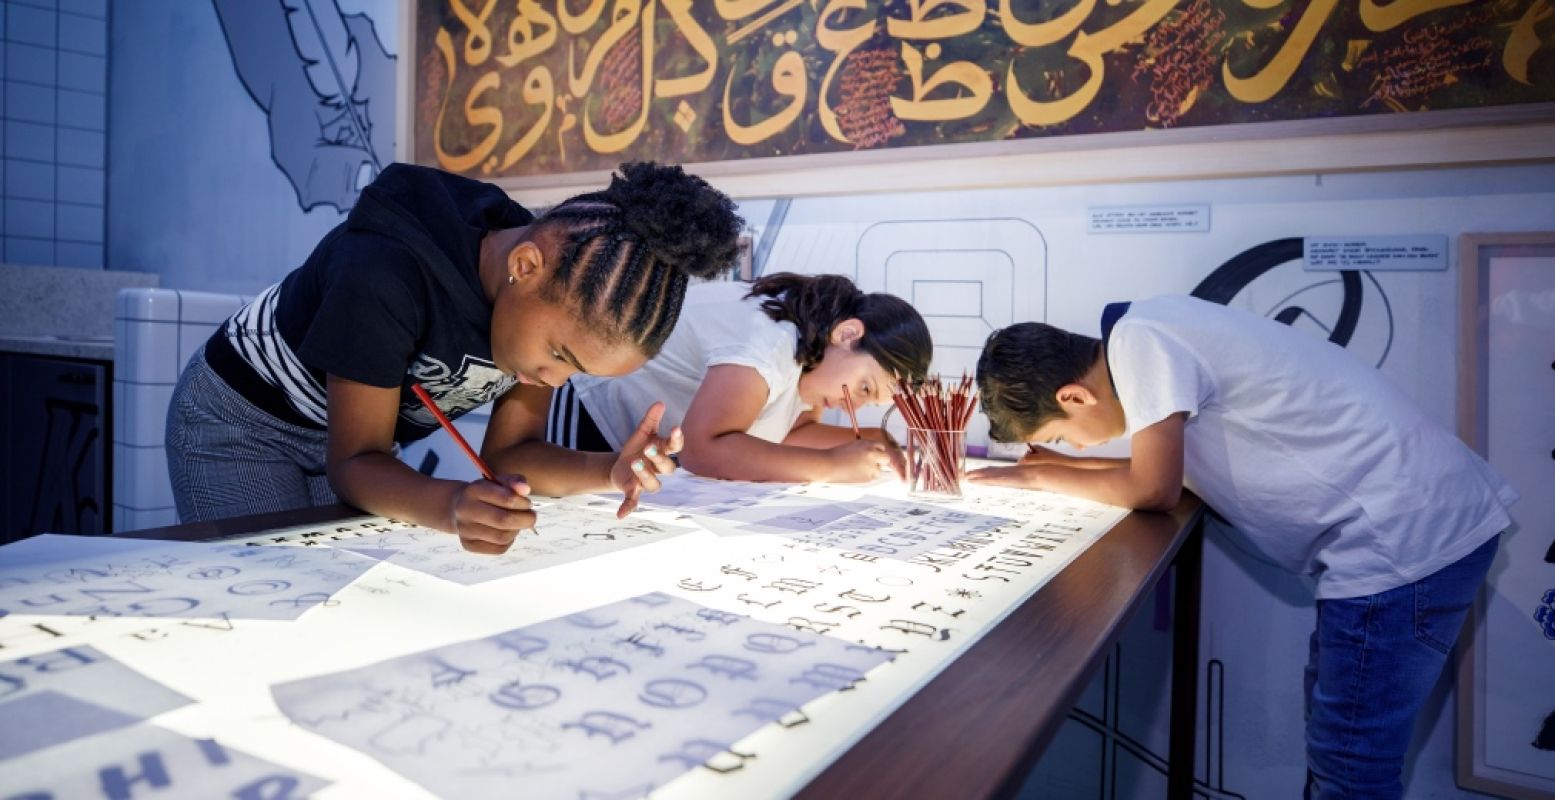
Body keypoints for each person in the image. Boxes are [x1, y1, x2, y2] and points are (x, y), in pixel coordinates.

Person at [968, 295, 1517, 799]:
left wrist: (1042, 478)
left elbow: (1154, 488)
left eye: (1062, 435)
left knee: (1351, 760)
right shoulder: (1146, 334)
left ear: (1073, 396)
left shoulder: (1141, 342)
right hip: (1398, 536)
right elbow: (1164, 470)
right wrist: (1067, 465)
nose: (1078, 446)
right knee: (1337, 739)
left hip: (1402, 543)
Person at [166, 161, 743, 554]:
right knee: (275, 580)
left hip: (344, 437)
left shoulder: (548, 301)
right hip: (243, 421)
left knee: (332, 582)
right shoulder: (384, 272)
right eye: (561, 355)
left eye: (577, 372)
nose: (555, 378)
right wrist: (452, 506)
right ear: (524, 268)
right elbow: (356, 462)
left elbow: (512, 452)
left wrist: (609, 469)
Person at [482, 273, 933, 491]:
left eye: (870, 403)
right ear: (847, 334)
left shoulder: (812, 349)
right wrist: (834, 466)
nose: (852, 404)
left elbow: (792, 434)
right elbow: (706, 448)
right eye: (864, 389)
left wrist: (872, 442)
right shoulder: (769, 340)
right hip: (590, 412)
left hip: (649, 447)